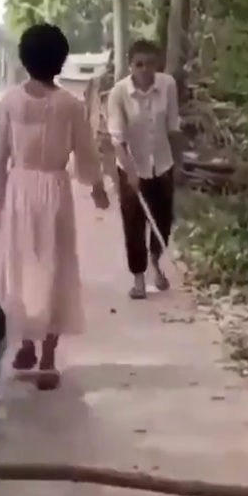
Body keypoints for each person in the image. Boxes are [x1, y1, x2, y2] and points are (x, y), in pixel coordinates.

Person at [0, 23, 111, 391]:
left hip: (19, 188)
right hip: (54, 188)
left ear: (24, 59)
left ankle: (25, 343)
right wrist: (98, 187)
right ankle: (49, 356)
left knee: (21, 267)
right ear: (61, 61)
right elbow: (87, 153)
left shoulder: (9, 101)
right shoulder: (70, 105)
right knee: (56, 266)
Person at [105, 39, 184, 300]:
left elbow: (173, 127)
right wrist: (130, 173)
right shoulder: (119, 94)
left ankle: (156, 263)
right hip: (130, 165)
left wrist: (177, 165)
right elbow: (118, 139)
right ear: (130, 66)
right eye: (139, 64)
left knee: (161, 220)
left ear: (157, 64)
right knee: (134, 223)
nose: (144, 69)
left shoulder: (168, 85)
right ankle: (138, 278)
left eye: (150, 63)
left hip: (162, 164)